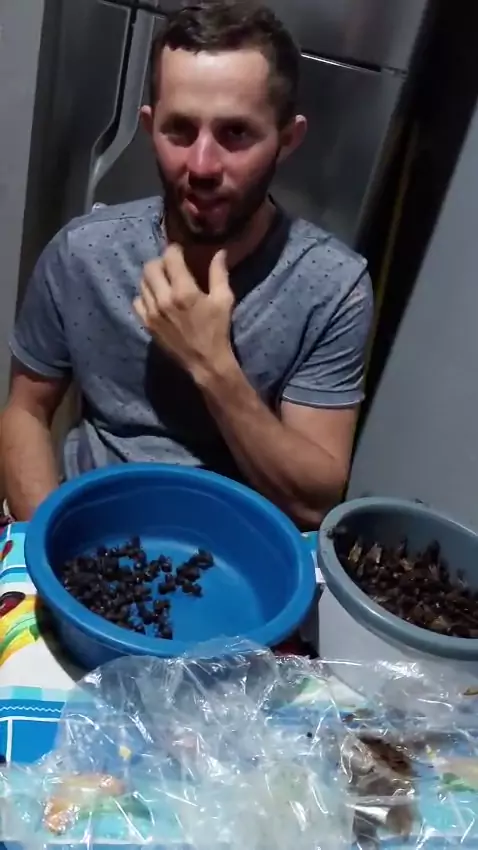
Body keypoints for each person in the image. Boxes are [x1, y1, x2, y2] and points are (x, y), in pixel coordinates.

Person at [0, 0, 373, 530]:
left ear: (287, 140)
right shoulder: (82, 253)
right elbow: (26, 411)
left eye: (235, 133)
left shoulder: (333, 287)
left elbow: (314, 503)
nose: (201, 165)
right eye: (179, 130)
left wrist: (211, 364)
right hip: (83, 525)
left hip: (235, 551)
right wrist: (47, 534)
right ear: (150, 127)